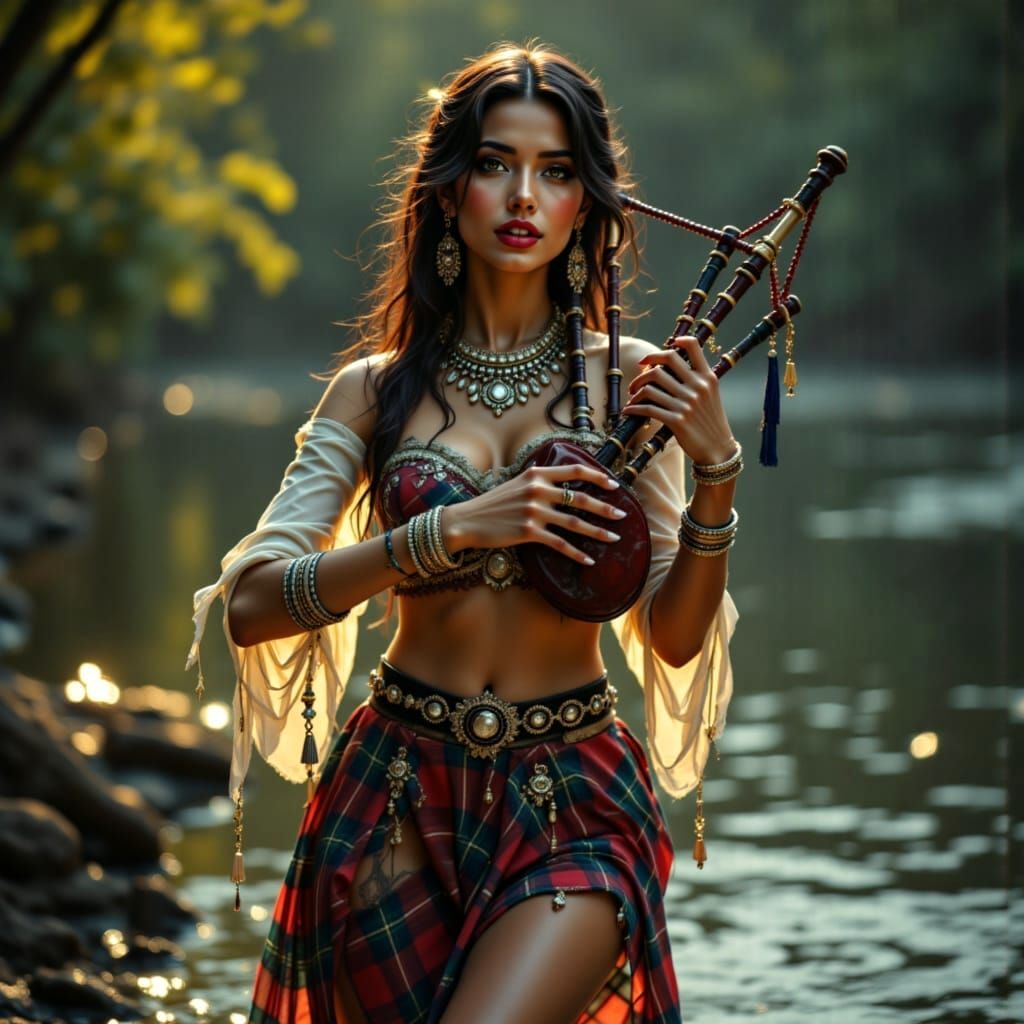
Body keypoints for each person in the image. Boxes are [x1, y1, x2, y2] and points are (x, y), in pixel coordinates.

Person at [186, 40, 740, 1024]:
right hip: (393, 788)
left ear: (588, 203)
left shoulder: (635, 385)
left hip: (574, 794)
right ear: (448, 191)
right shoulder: (373, 391)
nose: (524, 194)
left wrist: (714, 476)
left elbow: (671, 637)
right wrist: (437, 536)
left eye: (556, 171)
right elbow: (249, 605)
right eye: (494, 163)